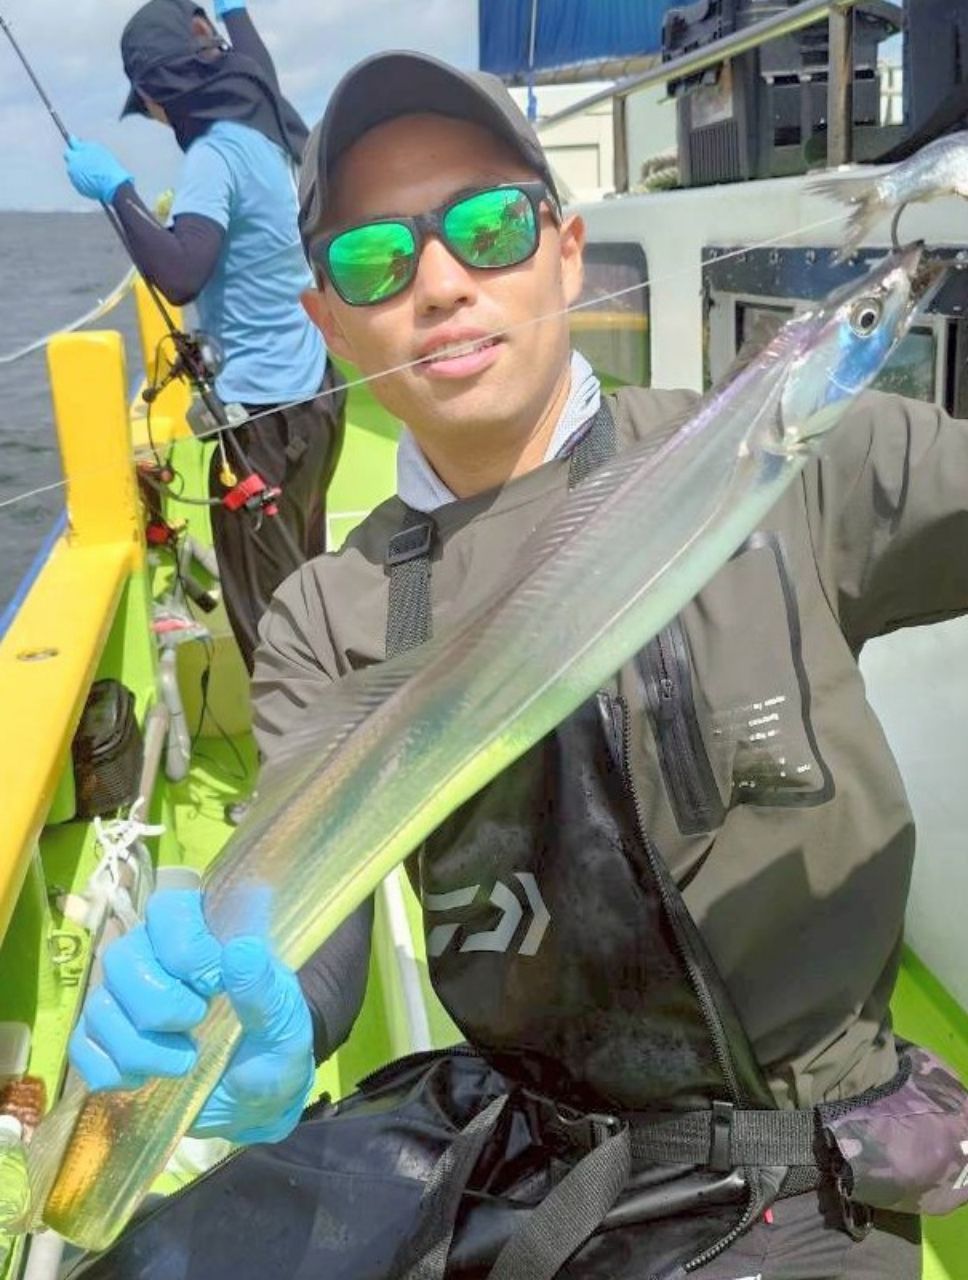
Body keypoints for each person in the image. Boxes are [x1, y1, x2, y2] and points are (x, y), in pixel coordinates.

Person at [68, 51, 968, 1280]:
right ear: (328, 319)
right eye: (376, 260)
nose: (439, 282)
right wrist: (244, 1005)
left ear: (563, 251)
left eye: (487, 226)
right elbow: (314, 914)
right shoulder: (327, 611)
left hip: (803, 1164)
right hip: (528, 1146)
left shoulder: (817, 457)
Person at [63, 0, 346, 674]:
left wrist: (118, 190)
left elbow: (181, 273)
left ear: (164, 97)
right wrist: (232, 10)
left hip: (264, 429)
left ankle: (307, 771)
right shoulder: (269, 123)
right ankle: (339, 728)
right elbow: (254, 59)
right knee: (307, 583)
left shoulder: (215, 157)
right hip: (318, 397)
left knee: (272, 628)